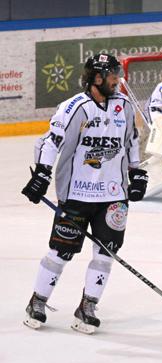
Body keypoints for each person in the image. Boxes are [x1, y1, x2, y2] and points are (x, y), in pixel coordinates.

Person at [22, 53, 147, 334]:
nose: (117, 80)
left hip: (114, 195)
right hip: (77, 194)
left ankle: (87, 305)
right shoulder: (73, 108)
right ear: (96, 78)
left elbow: (132, 141)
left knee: (106, 254)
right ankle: (38, 301)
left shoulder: (123, 106)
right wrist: (42, 173)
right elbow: (51, 141)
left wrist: (137, 172)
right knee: (61, 251)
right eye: (112, 75)